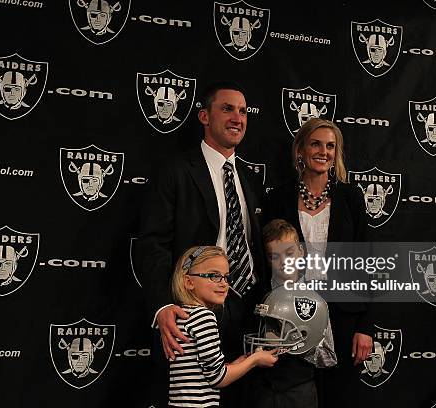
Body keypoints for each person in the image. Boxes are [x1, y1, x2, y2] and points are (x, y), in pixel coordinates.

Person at [136, 81, 268, 407]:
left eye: (243, 111)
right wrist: (164, 304)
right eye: (227, 109)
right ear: (204, 116)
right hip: (193, 313)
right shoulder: (176, 170)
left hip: (247, 309)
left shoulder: (250, 179)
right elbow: (152, 243)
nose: (238, 117)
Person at [263, 118, 373, 408]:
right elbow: (268, 264)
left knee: (339, 399)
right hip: (293, 318)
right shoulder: (279, 198)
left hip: (344, 317)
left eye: (330, 146)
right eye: (316, 143)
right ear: (300, 149)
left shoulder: (351, 197)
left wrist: (366, 326)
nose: (324, 151)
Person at [240, 218, 337, 408]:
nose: (284, 262)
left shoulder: (315, 299)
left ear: (301, 251)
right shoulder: (256, 295)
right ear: (267, 259)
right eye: (274, 256)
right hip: (261, 390)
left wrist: (298, 346)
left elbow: (329, 357)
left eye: (289, 253)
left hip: (299, 391)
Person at [169, 245, 277, 407]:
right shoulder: (204, 317)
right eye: (214, 276)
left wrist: (236, 365)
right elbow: (217, 378)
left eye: (226, 277)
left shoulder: (182, 314)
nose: (224, 284)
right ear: (189, 282)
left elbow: (202, 370)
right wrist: (254, 360)